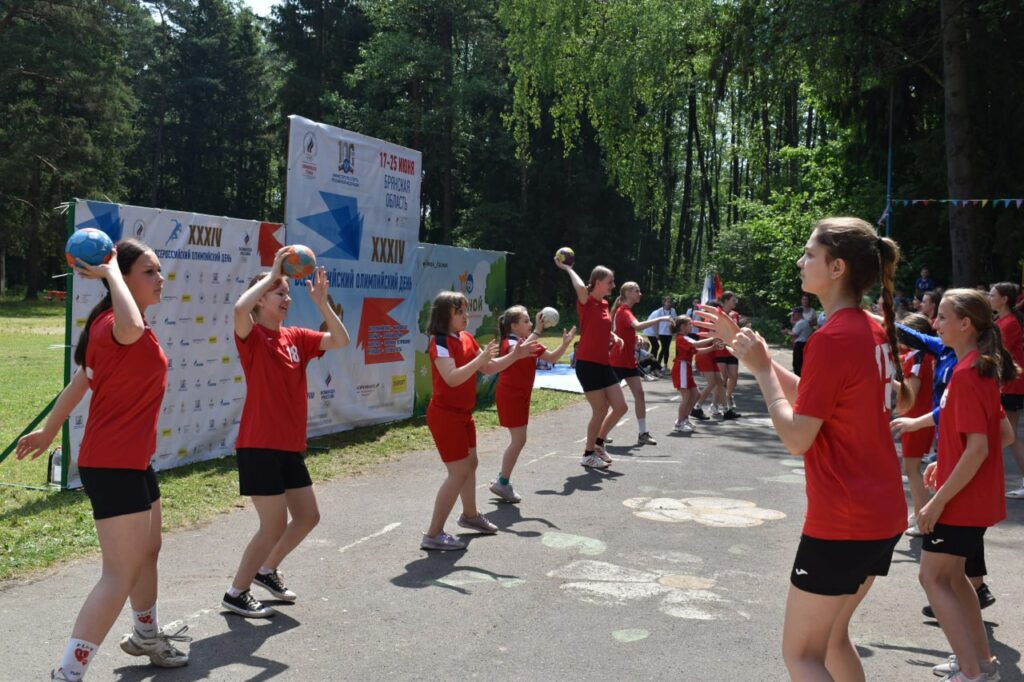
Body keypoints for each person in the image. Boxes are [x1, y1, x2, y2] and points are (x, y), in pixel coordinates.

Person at [696, 217, 911, 681]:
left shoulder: (832, 338)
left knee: (802, 655)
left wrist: (763, 373)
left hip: (844, 521)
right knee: (831, 642)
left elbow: (797, 438)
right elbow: (821, 398)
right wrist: (760, 359)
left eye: (809, 253)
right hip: (881, 514)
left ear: (836, 268)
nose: (800, 261)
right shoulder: (869, 328)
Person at [17, 240, 190, 680]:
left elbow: (82, 379)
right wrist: (111, 273)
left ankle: (146, 636)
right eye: (149, 271)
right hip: (114, 465)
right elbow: (126, 329)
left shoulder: (112, 325)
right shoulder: (118, 323)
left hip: (132, 461)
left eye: (159, 270)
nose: (160, 278)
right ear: (124, 277)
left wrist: (50, 428)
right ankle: (67, 674)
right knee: (118, 574)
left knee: (149, 550)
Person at [893, 289, 1017, 681]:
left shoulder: (966, 375)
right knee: (955, 578)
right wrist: (944, 465)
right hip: (970, 496)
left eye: (943, 317)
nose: (935, 323)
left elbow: (979, 448)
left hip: (961, 501)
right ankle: (982, 664)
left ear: (966, 324)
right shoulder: (977, 368)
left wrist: (935, 502)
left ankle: (972, 672)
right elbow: (1003, 435)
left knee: (932, 578)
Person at [222, 249, 350, 618]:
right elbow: (237, 311)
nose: (287, 299)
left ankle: (266, 570)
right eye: (280, 293)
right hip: (259, 445)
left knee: (308, 516)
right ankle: (236, 592)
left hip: (289, 445)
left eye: (287, 293)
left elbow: (339, 340)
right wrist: (273, 272)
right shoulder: (252, 336)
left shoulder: (295, 337)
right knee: (273, 523)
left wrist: (323, 304)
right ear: (261, 299)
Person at [422, 292, 540, 550]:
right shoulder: (439, 341)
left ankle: (470, 516)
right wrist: (480, 359)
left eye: (466, 311)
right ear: (445, 316)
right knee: (458, 472)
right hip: (445, 415)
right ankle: (433, 534)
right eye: (460, 313)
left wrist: (515, 356)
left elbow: (489, 367)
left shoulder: (465, 337)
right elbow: (452, 377)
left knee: (471, 464)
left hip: (463, 414)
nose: (466, 316)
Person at [490, 306, 575, 503]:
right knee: (519, 440)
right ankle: (502, 482)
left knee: (519, 440)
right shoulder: (510, 341)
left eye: (530, 321)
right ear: (514, 326)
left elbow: (552, 358)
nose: (531, 324)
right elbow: (517, 353)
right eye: (526, 321)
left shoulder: (530, 341)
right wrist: (536, 330)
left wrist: (564, 344)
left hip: (522, 395)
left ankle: (502, 480)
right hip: (510, 394)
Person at [555, 258, 626, 469]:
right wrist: (568, 268)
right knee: (600, 409)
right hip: (587, 363)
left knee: (621, 407)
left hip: (603, 362)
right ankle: (588, 454)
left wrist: (614, 335)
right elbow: (579, 287)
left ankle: (599, 444)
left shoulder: (604, 304)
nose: (613, 285)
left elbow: (600, 326)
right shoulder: (586, 301)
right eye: (609, 282)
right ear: (597, 282)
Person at [610, 282, 673, 445]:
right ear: (627, 293)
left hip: (628, 361)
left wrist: (634, 336)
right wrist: (662, 317)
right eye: (636, 291)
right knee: (606, 400)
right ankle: (598, 433)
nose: (640, 293)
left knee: (639, 394)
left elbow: (628, 329)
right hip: (617, 361)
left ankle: (643, 433)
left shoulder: (626, 311)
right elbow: (637, 325)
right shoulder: (623, 310)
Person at [894, 313, 935, 537]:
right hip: (921, 419)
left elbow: (912, 393)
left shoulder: (918, 357)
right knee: (913, 468)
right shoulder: (923, 355)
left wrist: (888, 381)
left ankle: (923, 517)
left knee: (912, 469)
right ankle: (920, 512)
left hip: (916, 420)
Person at [988, 282, 1024, 499]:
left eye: (992, 294)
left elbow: (997, 355)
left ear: (1004, 299)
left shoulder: (1008, 323)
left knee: (1009, 435)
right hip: (1009, 384)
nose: (989, 297)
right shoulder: (1003, 321)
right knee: (1008, 434)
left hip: (1011, 385)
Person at [670, 316, 717, 433]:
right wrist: (712, 337)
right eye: (690, 324)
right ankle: (680, 422)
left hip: (686, 368)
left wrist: (712, 347)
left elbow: (697, 351)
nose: (692, 326)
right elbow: (697, 344)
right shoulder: (682, 338)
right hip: (681, 367)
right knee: (686, 396)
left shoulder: (685, 338)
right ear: (683, 326)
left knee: (696, 395)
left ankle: (684, 419)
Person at [714, 291, 743, 419]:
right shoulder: (717, 313)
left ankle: (727, 397)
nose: (735, 303)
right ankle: (715, 404)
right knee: (722, 378)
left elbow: (736, 331)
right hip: (721, 348)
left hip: (732, 348)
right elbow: (712, 329)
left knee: (734, 376)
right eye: (733, 300)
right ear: (725, 301)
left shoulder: (735, 315)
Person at [783, 306, 813, 376]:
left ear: (799, 314)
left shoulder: (801, 323)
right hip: (804, 344)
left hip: (800, 345)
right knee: (800, 363)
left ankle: (798, 379)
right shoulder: (803, 322)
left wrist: (787, 331)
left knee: (797, 364)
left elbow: (794, 334)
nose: (793, 316)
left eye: (794, 314)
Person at [652, 295, 677, 369]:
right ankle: (659, 364)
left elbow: (675, 320)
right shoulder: (660, 310)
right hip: (662, 332)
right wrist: (656, 333)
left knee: (667, 348)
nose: (669, 303)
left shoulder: (673, 310)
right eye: (667, 302)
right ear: (664, 302)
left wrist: (674, 331)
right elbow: (656, 322)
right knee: (664, 348)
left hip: (669, 333)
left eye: (670, 302)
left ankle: (665, 364)